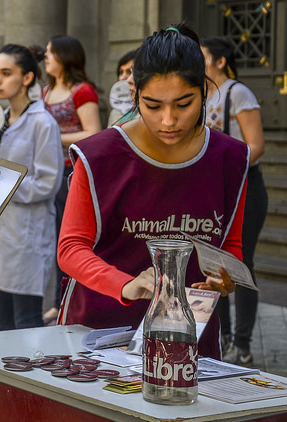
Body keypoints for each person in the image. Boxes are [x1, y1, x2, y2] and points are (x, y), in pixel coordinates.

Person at [57, 23, 248, 360]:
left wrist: (224, 279)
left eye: (183, 103)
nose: (169, 120)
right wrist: (125, 284)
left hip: (189, 334)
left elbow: (229, 246)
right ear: (135, 95)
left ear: (204, 91)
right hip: (101, 331)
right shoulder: (99, 156)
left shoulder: (230, 158)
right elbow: (71, 248)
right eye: (153, 105)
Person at [0, 44, 63, 331]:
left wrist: (1, 181)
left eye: (6, 73)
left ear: (27, 78)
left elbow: (48, 183)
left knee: (26, 323)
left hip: (26, 233)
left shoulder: (43, 123)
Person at [202, 36, 267, 367]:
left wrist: (226, 166)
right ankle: (223, 337)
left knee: (242, 267)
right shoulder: (204, 94)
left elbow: (255, 145)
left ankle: (242, 344)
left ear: (220, 61)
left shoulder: (237, 92)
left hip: (246, 187)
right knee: (216, 266)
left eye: (202, 57)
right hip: (217, 189)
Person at [41, 35, 101, 325]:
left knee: (70, 241)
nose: (46, 58)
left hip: (73, 172)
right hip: (49, 172)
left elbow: (93, 131)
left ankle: (65, 301)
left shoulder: (83, 90)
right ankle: (57, 301)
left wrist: (54, 138)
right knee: (54, 239)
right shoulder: (44, 91)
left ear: (65, 56)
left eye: (51, 53)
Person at [107, 49, 137, 127]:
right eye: (121, 72)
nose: (123, 77)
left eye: (129, 71)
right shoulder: (115, 111)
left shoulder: (146, 108)